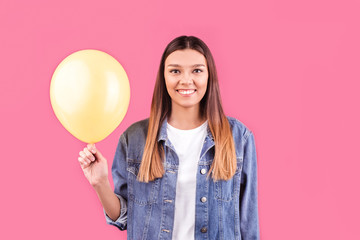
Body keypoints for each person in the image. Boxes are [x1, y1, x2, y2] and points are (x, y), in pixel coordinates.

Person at [78, 35, 260, 240]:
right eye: (175, 71)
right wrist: (100, 183)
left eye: (197, 70)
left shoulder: (238, 138)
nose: (186, 80)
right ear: (163, 77)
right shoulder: (134, 139)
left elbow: (248, 224)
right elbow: (125, 218)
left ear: (209, 76)